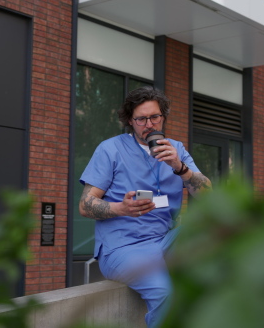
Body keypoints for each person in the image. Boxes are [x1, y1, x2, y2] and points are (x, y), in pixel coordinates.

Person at [79, 86, 212, 328]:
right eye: (141, 119)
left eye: (155, 117)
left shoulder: (177, 149)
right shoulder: (111, 149)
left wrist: (180, 167)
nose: (149, 124)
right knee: (165, 295)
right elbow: (85, 205)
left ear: (163, 117)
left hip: (165, 241)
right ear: (130, 120)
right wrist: (121, 208)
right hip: (123, 247)